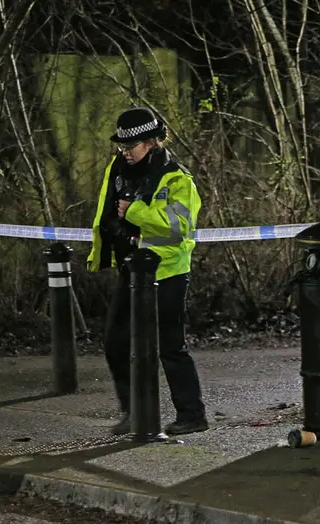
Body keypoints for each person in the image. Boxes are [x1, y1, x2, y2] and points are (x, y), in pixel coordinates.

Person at [87, 106, 208, 436]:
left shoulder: (177, 178)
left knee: (170, 346)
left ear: (152, 143)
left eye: (131, 147)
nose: (125, 153)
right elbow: (107, 213)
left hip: (168, 271)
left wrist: (135, 212)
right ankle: (133, 411)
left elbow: (176, 228)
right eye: (122, 147)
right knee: (115, 342)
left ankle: (192, 414)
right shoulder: (118, 169)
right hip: (133, 269)